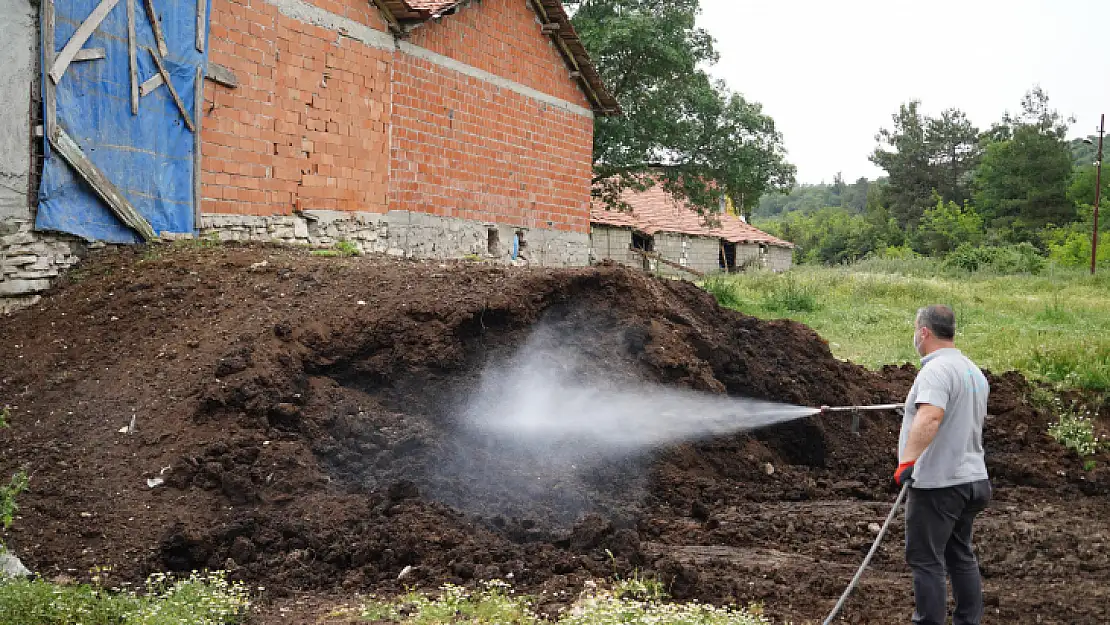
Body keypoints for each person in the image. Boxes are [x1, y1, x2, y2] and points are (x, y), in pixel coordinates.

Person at [894, 305, 992, 625]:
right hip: (972, 479)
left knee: (925, 559)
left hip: (939, 483)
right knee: (959, 554)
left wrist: (907, 461)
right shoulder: (972, 370)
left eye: (914, 329)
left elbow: (932, 416)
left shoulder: (935, 370)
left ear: (924, 332)